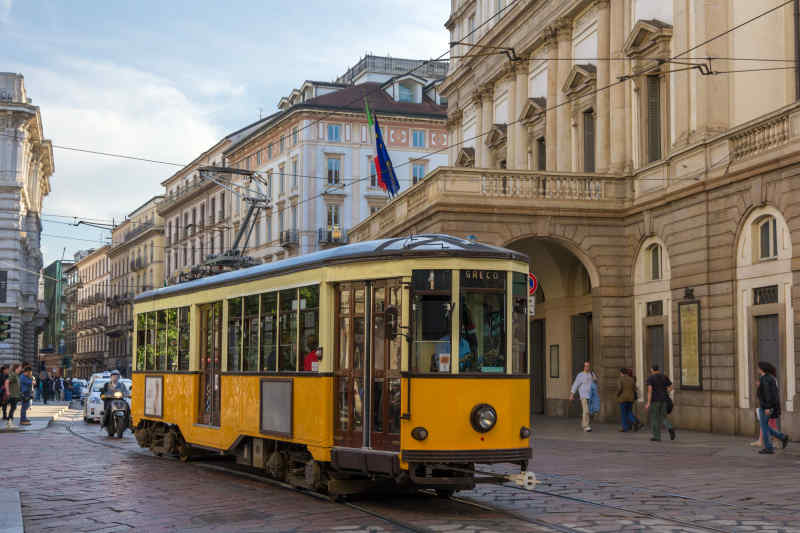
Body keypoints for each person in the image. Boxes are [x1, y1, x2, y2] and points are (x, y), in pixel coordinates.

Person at [756, 361, 789, 455]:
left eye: (758, 368)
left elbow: (768, 394)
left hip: (766, 406)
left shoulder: (765, 379)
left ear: (762, 369)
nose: (757, 369)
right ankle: (782, 437)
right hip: (767, 405)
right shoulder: (768, 378)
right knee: (765, 426)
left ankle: (769, 448)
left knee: (764, 427)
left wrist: (767, 407)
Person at [645, 365, 676, 442]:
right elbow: (671, 387)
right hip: (664, 399)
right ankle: (670, 427)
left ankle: (657, 436)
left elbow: (649, 391)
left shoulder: (651, 378)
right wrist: (666, 392)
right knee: (663, 417)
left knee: (654, 418)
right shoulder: (664, 376)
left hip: (655, 400)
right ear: (658, 369)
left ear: (652, 370)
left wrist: (648, 402)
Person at [569, 361, 597, 432]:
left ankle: (584, 424)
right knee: (586, 410)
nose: (587, 367)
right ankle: (586, 426)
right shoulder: (580, 375)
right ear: (583, 367)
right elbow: (576, 384)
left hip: (590, 396)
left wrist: (595, 379)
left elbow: (595, 382)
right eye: (586, 366)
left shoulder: (591, 374)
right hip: (583, 395)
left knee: (588, 411)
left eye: (588, 366)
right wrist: (572, 394)